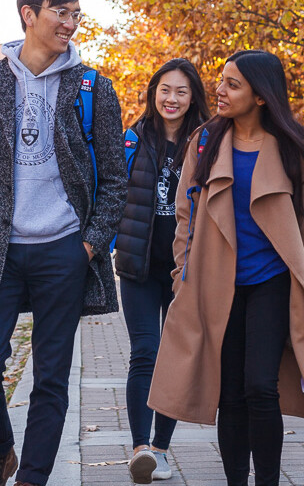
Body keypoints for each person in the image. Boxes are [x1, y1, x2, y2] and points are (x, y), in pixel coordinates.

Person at [0, 0, 128, 486]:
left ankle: (33, 479)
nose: (70, 23)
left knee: (51, 377)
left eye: (75, 14)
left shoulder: (93, 88)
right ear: (29, 14)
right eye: (60, 13)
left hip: (63, 252)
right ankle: (0, 452)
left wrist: (87, 247)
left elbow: (115, 179)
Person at [149, 50, 304, 486]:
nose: (219, 91)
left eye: (232, 84)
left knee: (261, 386)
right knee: (231, 393)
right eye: (221, 81)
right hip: (217, 284)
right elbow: (186, 215)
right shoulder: (204, 142)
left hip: (272, 283)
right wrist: (182, 275)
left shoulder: (292, 151)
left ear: (261, 96)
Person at [112, 58, 209, 484]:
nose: (171, 98)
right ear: (154, 92)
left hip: (185, 271)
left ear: (193, 98)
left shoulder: (207, 143)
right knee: (145, 353)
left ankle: (162, 449)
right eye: (165, 89)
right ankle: (139, 449)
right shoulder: (133, 138)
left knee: (174, 360)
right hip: (139, 268)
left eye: (181, 91)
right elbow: (112, 193)